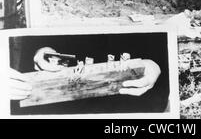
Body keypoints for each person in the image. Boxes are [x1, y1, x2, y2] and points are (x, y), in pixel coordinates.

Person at [9, 33, 169, 115]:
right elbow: (33, 37)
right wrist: (42, 49)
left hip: (132, 102)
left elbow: (164, 43)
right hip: (62, 100)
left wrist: (157, 65)